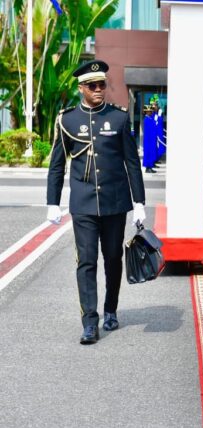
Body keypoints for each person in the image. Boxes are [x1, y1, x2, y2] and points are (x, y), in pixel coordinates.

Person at [46, 60, 146, 345]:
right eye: (92, 86)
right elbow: (57, 166)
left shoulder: (118, 118)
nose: (99, 89)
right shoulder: (67, 120)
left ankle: (110, 309)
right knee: (87, 261)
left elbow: (131, 162)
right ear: (81, 89)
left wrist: (139, 202)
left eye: (102, 84)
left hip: (115, 202)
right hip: (84, 204)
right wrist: (52, 202)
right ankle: (90, 322)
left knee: (113, 259)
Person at [141, 106, 158, 173]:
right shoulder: (147, 119)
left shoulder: (149, 118)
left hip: (150, 139)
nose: (151, 112)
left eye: (151, 111)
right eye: (150, 111)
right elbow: (150, 130)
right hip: (148, 139)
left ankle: (150, 166)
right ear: (147, 112)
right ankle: (148, 168)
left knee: (150, 153)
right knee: (148, 154)